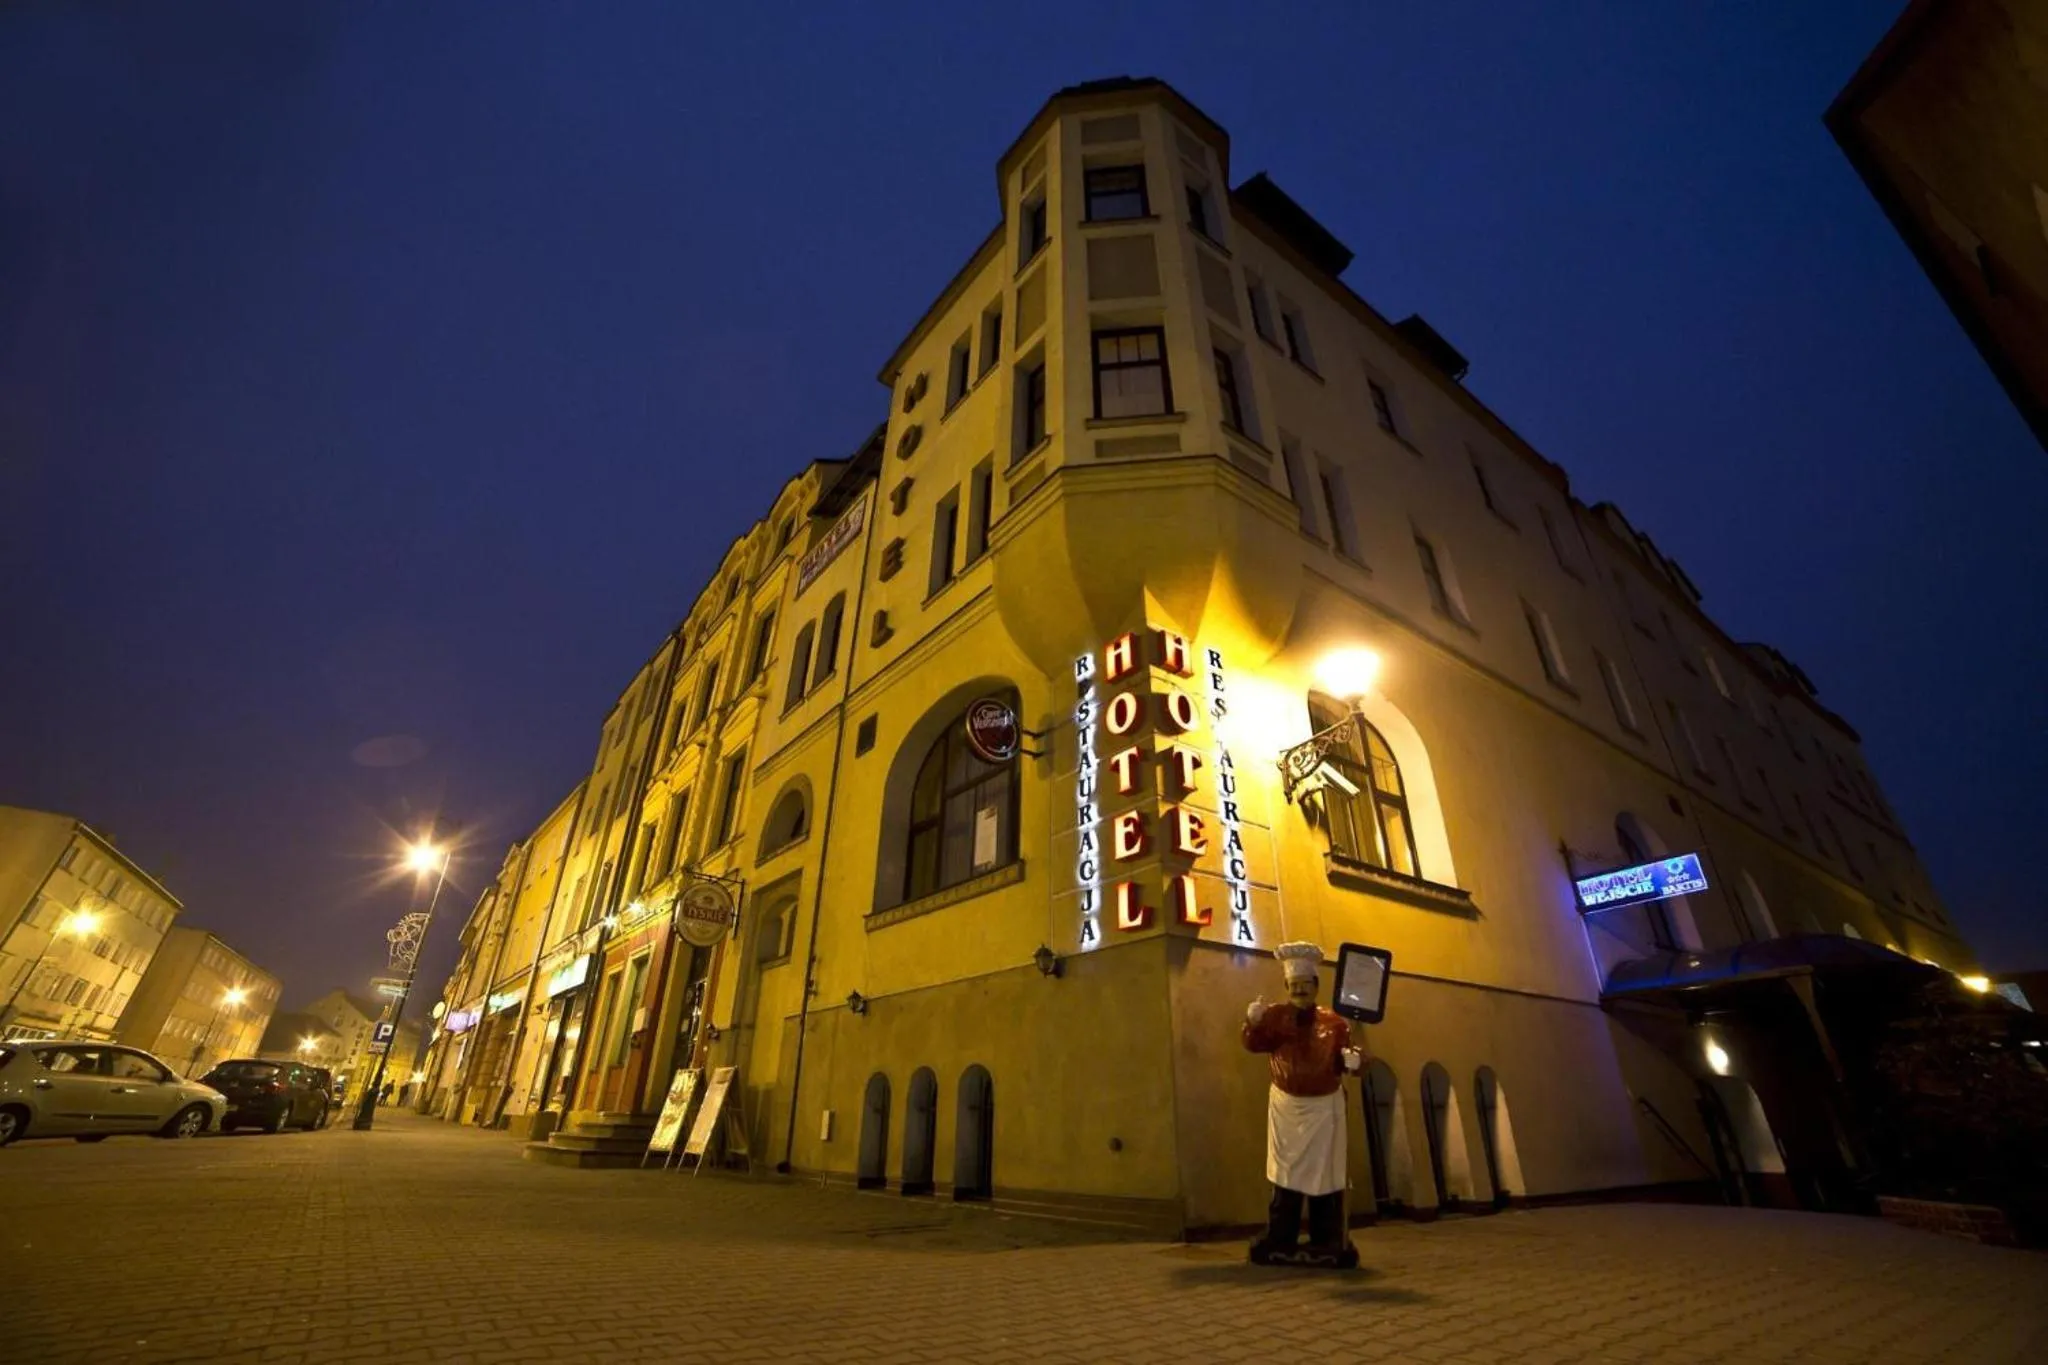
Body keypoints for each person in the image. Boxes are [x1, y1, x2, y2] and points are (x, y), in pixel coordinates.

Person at [1241, 940, 1363, 1267]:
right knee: (1285, 1175)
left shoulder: (1335, 1023)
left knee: (1326, 1176)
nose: (1299, 991)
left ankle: (1328, 1238)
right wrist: (1252, 1023)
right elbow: (1254, 1044)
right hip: (1286, 1108)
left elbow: (1352, 1057)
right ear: (1287, 987)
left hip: (1324, 1110)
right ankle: (1281, 1236)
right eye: (1293, 985)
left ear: (1315, 986)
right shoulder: (1276, 1017)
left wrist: (1355, 1061)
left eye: (1304, 985)